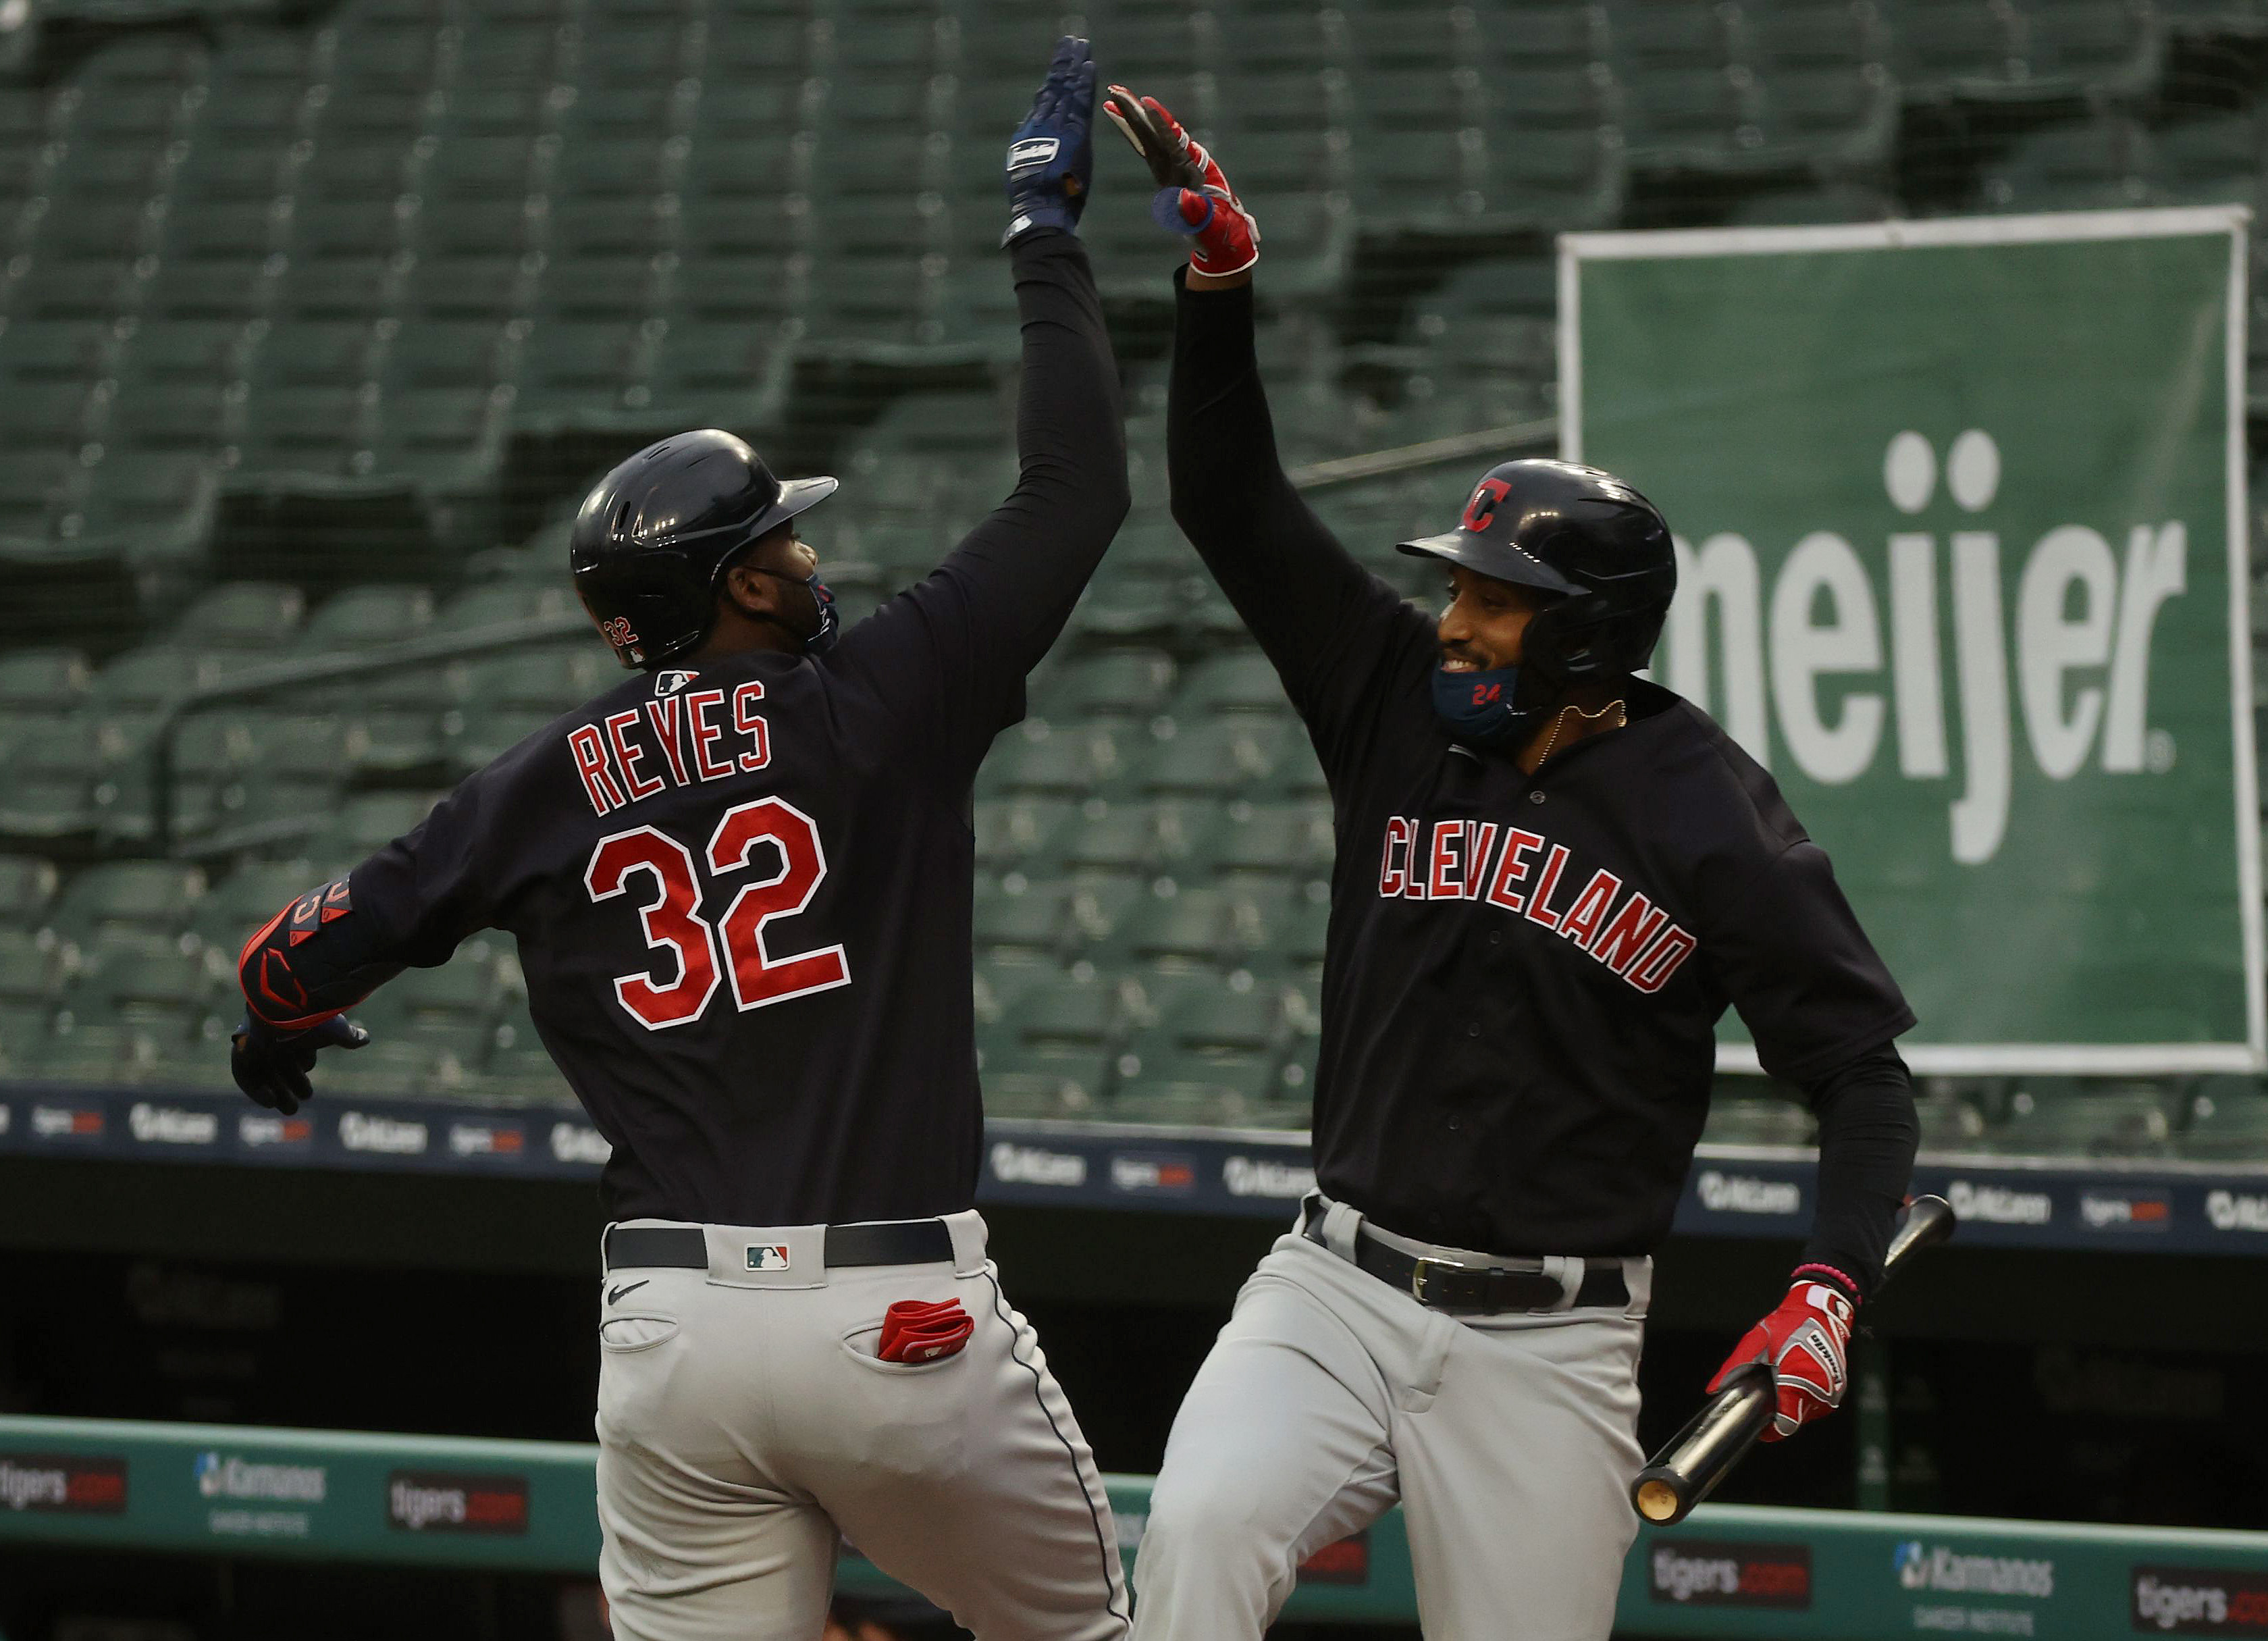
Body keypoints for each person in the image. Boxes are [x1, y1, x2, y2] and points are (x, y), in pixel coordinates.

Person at [228, 41, 1132, 1641]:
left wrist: (279, 1034)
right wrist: (1042, 238)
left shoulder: (539, 780)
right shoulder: (877, 697)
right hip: (893, 1309)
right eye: (780, 534)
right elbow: (1074, 488)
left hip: (671, 1335)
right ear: (733, 582)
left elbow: (296, 952)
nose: (806, 548)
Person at [1101, 89, 1922, 1639]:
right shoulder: (1391, 700)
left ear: (1593, 630)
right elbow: (1228, 503)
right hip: (1331, 1291)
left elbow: (1859, 1075)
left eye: (1499, 598)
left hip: (1549, 1347)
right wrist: (1216, 288)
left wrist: (1827, 1290)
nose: (1461, 620)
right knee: (1200, 1533)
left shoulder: (1706, 814)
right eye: (1462, 588)